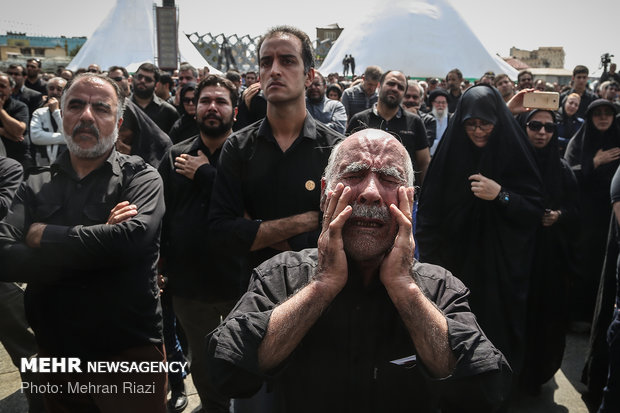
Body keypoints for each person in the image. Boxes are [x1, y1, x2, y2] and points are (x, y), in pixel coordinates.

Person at [206, 129, 511, 412]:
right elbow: (227, 373)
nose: (371, 193)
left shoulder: (439, 287)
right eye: (354, 174)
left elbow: (484, 391)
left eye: (389, 179)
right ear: (325, 194)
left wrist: (405, 289)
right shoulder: (282, 274)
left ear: (410, 197)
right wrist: (321, 286)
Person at [0, 73, 167, 412]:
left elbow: (128, 240)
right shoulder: (34, 183)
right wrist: (98, 246)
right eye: (76, 106)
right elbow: (4, 255)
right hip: (56, 351)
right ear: (62, 117)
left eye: (101, 108)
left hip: (128, 352)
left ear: (118, 122)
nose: (87, 116)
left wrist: (42, 235)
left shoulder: (141, 178)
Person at [417, 84, 544, 379]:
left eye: (485, 123)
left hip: (501, 271)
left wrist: (501, 195)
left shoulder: (513, 154)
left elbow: (533, 209)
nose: (478, 131)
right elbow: (429, 215)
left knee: (497, 331)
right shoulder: (450, 156)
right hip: (455, 266)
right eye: (471, 124)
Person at [519, 109, 580, 394]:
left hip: (550, 260)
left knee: (546, 318)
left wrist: (558, 215)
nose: (542, 132)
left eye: (548, 127)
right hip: (517, 257)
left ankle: (537, 374)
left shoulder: (562, 169)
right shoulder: (513, 165)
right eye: (535, 126)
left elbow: (577, 211)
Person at [564, 99, 620, 324]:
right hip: (586, 218)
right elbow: (567, 174)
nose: (604, 118)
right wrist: (594, 162)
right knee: (585, 266)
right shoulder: (579, 142)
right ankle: (581, 317)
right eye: (598, 114)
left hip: (611, 216)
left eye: (608, 113)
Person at [346, 70, 430, 185]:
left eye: (400, 87)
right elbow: (346, 159)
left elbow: (424, 162)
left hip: (405, 196)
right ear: (379, 86)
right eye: (391, 83)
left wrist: (423, 196)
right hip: (364, 193)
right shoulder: (359, 120)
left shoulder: (415, 122)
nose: (395, 88)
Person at [131, 62, 179, 134]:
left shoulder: (168, 111)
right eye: (139, 77)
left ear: (156, 85)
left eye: (148, 79)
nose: (142, 81)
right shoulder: (122, 107)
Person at [29, 76, 67, 165]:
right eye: (51, 88)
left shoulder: (72, 112)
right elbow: (36, 137)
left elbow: (69, 134)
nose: (54, 92)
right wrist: (64, 138)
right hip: (43, 163)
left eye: (59, 89)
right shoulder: (39, 113)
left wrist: (56, 112)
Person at [0, 72, 29, 167]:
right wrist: (4, 132)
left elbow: (18, 131)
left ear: (11, 90)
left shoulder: (19, 107)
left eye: (2, 86)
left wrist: (1, 110)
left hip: (16, 161)